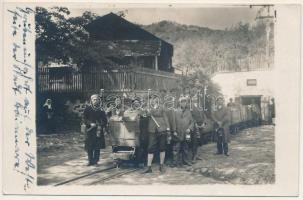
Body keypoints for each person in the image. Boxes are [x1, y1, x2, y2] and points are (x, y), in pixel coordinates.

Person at [143, 94, 170, 173]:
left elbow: (165, 117)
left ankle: (161, 165)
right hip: (152, 130)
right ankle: (149, 167)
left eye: (156, 98)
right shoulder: (148, 108)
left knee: (162, 147)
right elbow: (146, 115)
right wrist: (149, 110)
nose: (154, 100)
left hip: (162, 129)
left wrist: (168, 128)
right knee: (150, 147)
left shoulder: (162, 107)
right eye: (153, 98)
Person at [82, 94, 108, 166]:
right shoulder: (87, 109)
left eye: (97, 99)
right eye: (94, 99)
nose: (95, 101)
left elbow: (105, 121)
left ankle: (95, 161)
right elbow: (84, 119)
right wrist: (90, 124)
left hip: (98, 131)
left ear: (99, 100)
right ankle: (90, 161)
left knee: (97, 147)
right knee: (89, 147)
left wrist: (101, 124)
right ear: (91, 100)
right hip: (90, 130)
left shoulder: (101, 110)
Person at [172, 96, 195, 167]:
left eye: (185, 102)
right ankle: (175, 162)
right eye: (182, 102)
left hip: (186, 132)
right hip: (178, 132)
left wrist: (189, 128)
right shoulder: (176, 111)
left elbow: (192, 122)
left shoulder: (188, 112)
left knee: (185, 147)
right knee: (176, 148)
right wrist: (174, 130)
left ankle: (185, 161)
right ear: (180, 103)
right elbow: (173, 122)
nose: (183, 103)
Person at [190, 94, 206, 163]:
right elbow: (190, 116)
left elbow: (204, 115)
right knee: (195, 141)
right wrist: (195, 124)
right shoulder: (190, 107)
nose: (195, 99)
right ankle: (194, 156)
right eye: (194, 98)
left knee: (200, 141)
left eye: (196, 98)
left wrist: (204, 123)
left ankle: (198, 155)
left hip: (201, 125)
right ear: (192, 99)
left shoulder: (200, 106)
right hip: (195, 126)